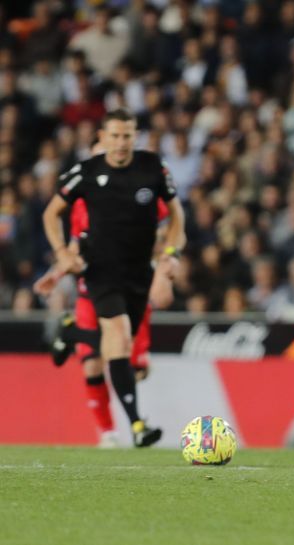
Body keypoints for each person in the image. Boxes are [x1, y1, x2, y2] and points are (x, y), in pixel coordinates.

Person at [40, 108, 184, 448]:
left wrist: (168, 261)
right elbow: (52, 213)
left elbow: (176, 219)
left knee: (123, 351)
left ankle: (71, 330)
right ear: (102, 138)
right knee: (115, 339)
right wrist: (61, 256)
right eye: (115, 136)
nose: (121, 143)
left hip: (139, 276)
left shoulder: (153, 168)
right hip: (99, 273)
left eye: (127, 136)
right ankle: (135, 426)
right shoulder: (87, 172)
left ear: (136, 137)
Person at [35, 191, 174, 447]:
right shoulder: (83, 198)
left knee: (137, 368)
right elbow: (76, 247)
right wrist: (56, 275)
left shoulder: (143, 188)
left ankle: (71, 333)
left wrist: (163, 270)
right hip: (96, 288)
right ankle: (111, 432)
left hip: (133, 288)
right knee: (93, 363)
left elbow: (163, 233)